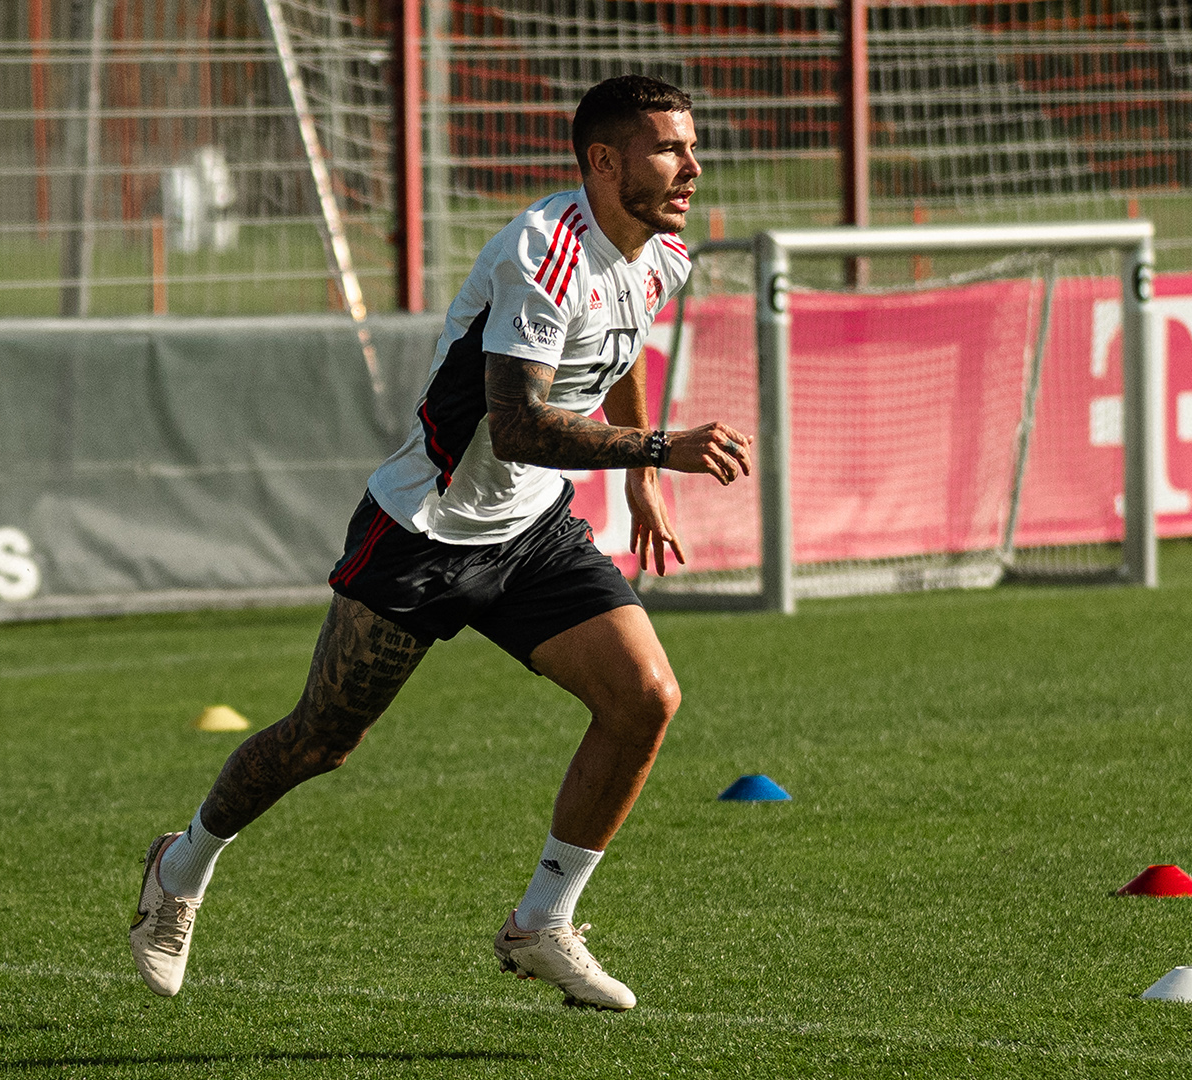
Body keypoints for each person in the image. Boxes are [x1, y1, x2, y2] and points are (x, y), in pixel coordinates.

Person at [130, 73, 754, 1012]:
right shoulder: (541, 256)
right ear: (602, 161)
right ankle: (180, 866)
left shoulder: (663, 254)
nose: (692, 166)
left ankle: (542, 924)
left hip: (533, 531)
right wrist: (661, 443)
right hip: (424, 534)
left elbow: (616, 358)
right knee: (320, 742)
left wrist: (642, 475)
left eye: (690, 145)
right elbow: (518, 427)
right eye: (670, 149)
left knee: (645, 699)